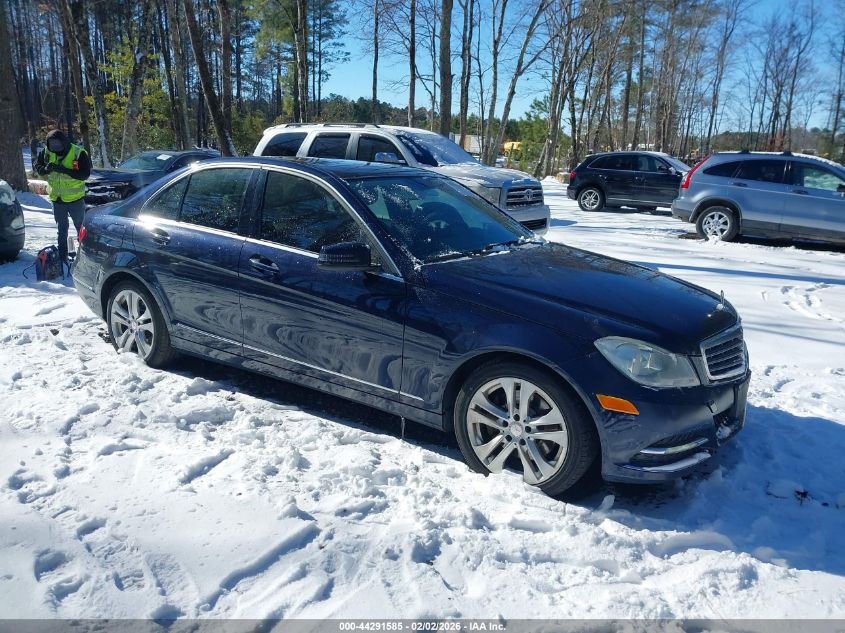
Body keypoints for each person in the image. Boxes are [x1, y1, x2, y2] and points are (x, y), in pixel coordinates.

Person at [33, 129, 91, 263]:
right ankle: (62, 255)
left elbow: (84, 175)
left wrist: (64, 170)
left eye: (57, 144)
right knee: (61, 229)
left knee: (80, 228)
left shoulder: (78, 153)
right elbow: (38, 165)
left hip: (75, 199)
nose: (54, 147)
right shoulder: (46, 151)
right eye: (52, 144)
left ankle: (85, 256)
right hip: (57, 199)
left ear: (64, 142)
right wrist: (44, 169)